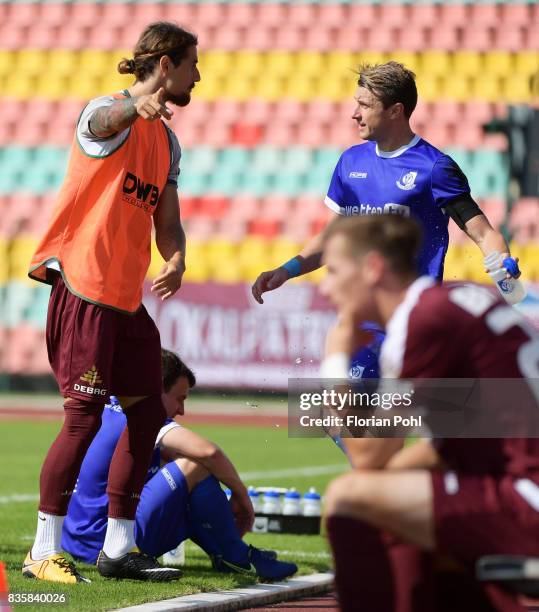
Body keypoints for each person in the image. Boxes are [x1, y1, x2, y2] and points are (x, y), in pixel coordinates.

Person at [24, 22, 200, 583]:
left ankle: (119, 549)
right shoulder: (108, 113)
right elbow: (99, 122)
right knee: (83, 420)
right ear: (166, 64)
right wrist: (134, 108)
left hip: (125, 301)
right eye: (193, 64)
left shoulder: (168, 141)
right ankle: (41, 553)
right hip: (85, 289)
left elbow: (166, 221)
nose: (199, 76)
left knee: (148, 411)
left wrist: (174, 258)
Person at [318, 215, 539, 612]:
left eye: (334, 270)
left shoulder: (422, 320)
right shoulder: (451, 302)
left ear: (372, 268)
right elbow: (445, 443)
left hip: (528, 499)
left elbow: (367, 455)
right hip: (520, 485)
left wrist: (335, 361)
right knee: (397, 495)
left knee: (347, 498)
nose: (324, 285)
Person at [252, 61, 520, 383]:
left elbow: (483, 233)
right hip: (362, 320)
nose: (355, 113)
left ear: (395, 111)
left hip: (413, 320)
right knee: (343, 416)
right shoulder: (350, 162)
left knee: (375, 423)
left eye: (365, 105)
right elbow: (333, 239)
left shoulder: (434, 168)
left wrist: (503, 268)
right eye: (356, 103)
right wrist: (286, 271)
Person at [62, 349, 298, 582]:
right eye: (180, 398)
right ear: (157, 389)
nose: (182, 410)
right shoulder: (139, 417)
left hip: (83, 541)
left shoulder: (108, 407)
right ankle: (236, 556)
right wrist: (242, 499)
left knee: (182, 474)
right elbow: (210, 452)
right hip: (109, 544)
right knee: (193, 466)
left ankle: (228, 553)